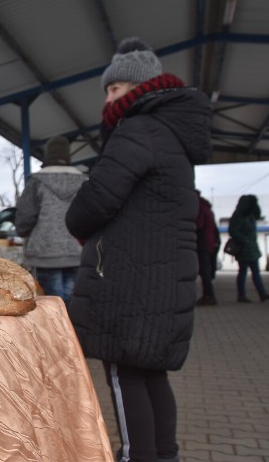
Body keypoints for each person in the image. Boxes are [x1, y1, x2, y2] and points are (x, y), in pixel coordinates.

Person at [65, 37, 211, 462]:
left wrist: (77, 223)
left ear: (139, 88)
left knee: (124, 372)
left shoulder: (139, 127)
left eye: (114, 89)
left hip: (133, 280)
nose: (108, 98)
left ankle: (137, 456)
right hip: (162, 278)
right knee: (151, 374)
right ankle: (165, 455)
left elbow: (97, 198)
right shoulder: (171, 134)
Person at [14, 135, 86, 303]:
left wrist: (22, 230)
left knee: (53, 304)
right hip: (77, 251)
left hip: (45, 252)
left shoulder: (37, 181)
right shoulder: (84, 181)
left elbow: (25, 217)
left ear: (48, 156)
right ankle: (72, 328)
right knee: (73, 302)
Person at [227, 194, 269, 303]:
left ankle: (262, 294)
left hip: (252, 249)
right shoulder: (238, 216)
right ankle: (242, 295)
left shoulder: (250, 214)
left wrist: (255, 203)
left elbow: (258, 215)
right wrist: (244, 240)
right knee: (243, 272)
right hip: (243, 249)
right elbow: (233, 231)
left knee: (255, 273)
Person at [195, 191, 221, 305]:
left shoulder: (199, 208)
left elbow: (199, 224)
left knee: (204, 271)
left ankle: (209, 296)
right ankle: (208, 295)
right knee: (206, 270)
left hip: (202, 242)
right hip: (209, 243)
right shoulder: (208, 209)